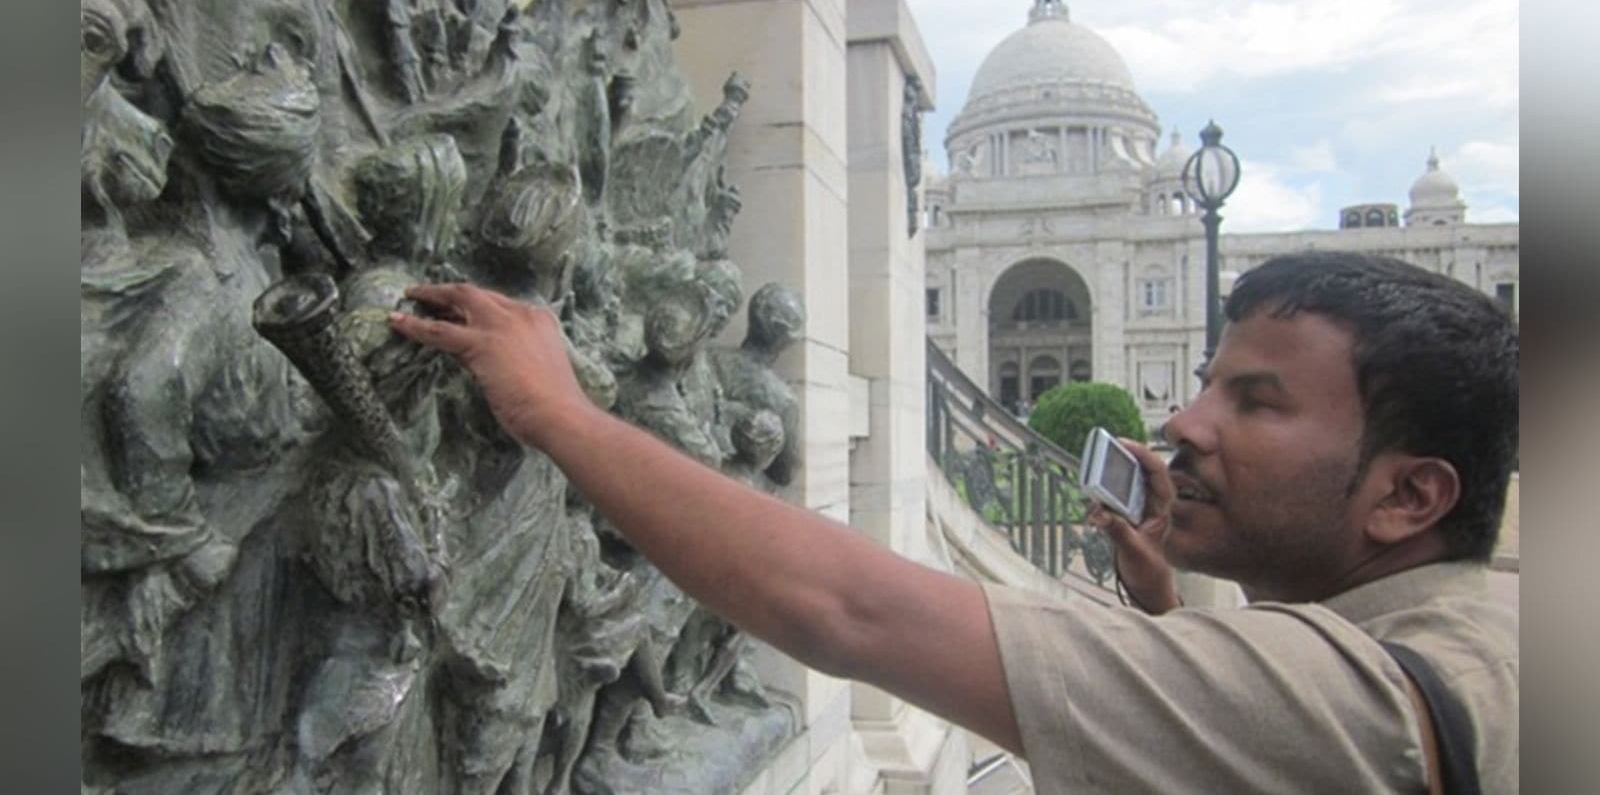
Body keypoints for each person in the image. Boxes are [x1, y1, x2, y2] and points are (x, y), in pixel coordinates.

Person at [387, 250, 1518, 793]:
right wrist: (1159, 613)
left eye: (1254, 401)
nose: (1184, 420)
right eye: (1208, 381)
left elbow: (844, 609)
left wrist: (554, 411)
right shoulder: (1494, 636)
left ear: (1409, 495)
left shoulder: (1343, 700)